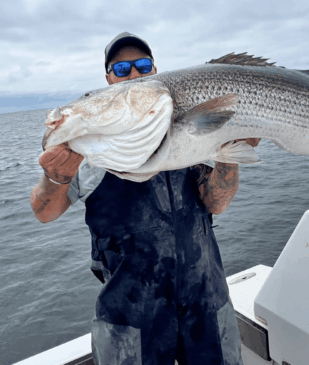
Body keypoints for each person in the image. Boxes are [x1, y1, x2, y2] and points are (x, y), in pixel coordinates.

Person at [30, 32, 260, 365]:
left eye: (142, 66)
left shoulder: (191, 134)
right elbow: (44, 212)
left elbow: (217, 203)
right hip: (130, 317)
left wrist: (228, 152)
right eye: (122, 69)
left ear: (155, 71)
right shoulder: (90, 148)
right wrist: (56, 176)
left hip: (206, 302)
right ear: (109, 79)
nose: (134, 74)